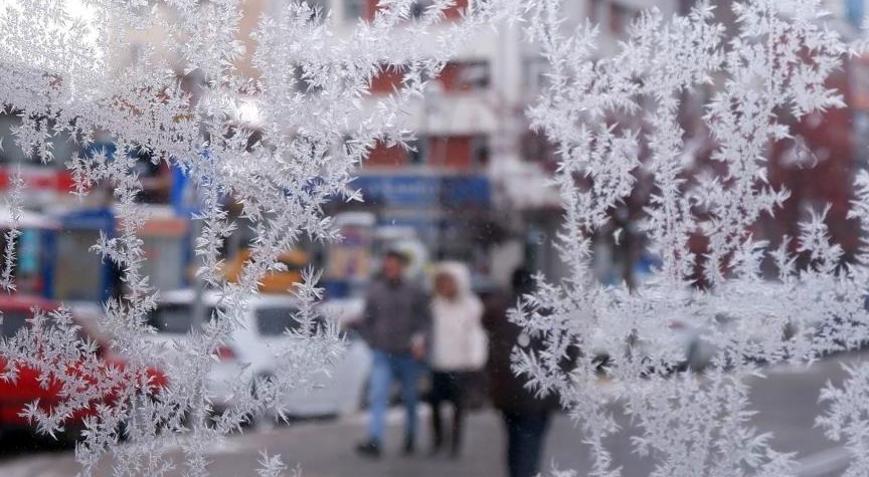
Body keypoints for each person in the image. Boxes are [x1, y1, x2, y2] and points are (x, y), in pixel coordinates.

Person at [482, 268, 558, 477]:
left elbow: (488, 335)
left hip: (506, 389)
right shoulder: (547, 311)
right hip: (539, 390)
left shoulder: (498, 309)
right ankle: (525, 472)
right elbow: (568, 350)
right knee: (531, 441)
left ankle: (516, 472)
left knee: (514, 439)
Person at [355, 250, 431, 458]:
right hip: (383, 353)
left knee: (410, 398)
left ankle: (410, 436)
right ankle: (375, 439)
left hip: (408, 354)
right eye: (388, 265)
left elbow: (425, 321)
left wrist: (420, 341)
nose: (390, 269)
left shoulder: (414, 291)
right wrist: (372, 342)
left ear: (402, 267)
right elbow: (367, 320)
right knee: (378, 395)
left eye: (394, 265)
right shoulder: (376, 291)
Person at [427, 262, 487, 458]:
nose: (444, 286)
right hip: (438, 363)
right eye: (441, 282)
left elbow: (475, 334)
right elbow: (427, 332)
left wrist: (475, 360)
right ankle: (438, 441)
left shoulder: (471, 305)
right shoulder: (435, 305)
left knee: (457, 407)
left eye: (448, 281)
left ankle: (455, 444)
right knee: (435, 404)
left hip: (460, 365)